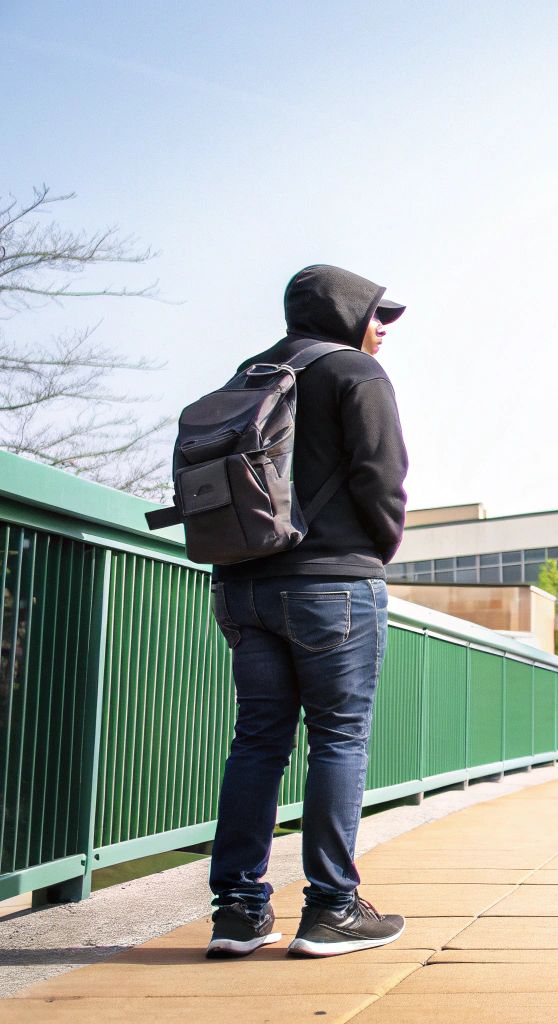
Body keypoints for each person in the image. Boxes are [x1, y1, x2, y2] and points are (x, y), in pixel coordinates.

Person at [203, 264, 410, 959]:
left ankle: (236, 911)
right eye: (379, 314)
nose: (383, 329)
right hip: (332, 586)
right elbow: (382, 476)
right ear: (347, 312)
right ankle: (331, 909)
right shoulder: (356, 372)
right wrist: (374, 549)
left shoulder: (253, 371)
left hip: (246, 582)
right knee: (339, 739)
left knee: (258, 741)